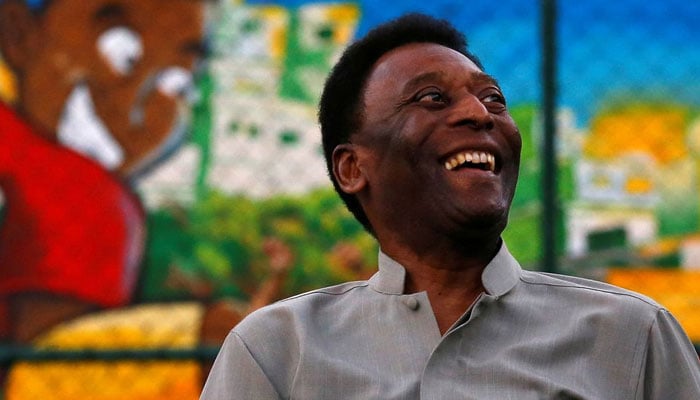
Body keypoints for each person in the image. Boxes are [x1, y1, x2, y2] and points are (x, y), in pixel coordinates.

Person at [201, 13, 700, 399]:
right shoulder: (275, 351)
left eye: (494, 100)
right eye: (432, 98)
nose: (478, 114)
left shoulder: (632, 337)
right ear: (353, 168)